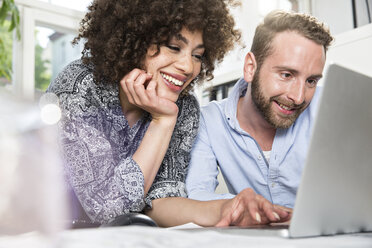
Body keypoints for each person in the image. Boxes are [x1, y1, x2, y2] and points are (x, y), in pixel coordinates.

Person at [47, 0, 290, 228]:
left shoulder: (184, 108)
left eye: (197, 55)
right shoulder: (80, 86)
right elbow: (107, 209)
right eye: (174, 47)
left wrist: (230, 208)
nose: (187, 67)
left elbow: (162, 201)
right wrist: (162, 122)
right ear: (134, 39)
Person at [186, 10, 334, 210]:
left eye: (311, 81)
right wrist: (240, 205)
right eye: (286, 75)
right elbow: (197, 194)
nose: (299, 97)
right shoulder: (209, 121)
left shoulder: (329, 105)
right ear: (250, 68)